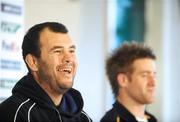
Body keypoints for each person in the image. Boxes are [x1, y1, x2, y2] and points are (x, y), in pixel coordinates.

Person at [0, 22, 92, 122]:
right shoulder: (13, 113)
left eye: (71, 51)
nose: (69, 58)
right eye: (57, 51)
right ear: (33, 62)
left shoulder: (83, 118)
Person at [101, 42, 158, 122]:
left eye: (154, 75)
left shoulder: (152, 119)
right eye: (144, 75)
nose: (153, 83)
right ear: (123, 80)